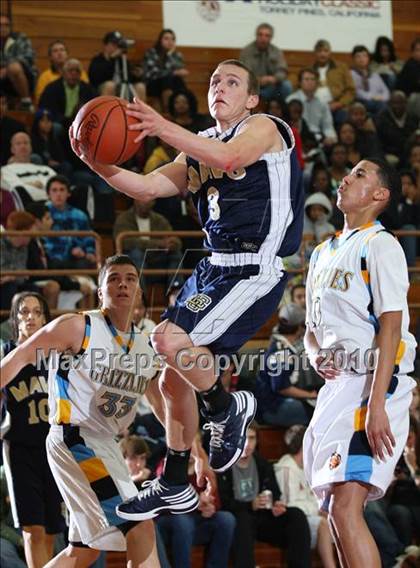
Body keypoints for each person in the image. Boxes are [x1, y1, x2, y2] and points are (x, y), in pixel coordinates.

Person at [69, 58, 304, 521]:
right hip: (214, 269)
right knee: (168, 377)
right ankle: (175, 480)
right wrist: (94, 160)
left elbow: (232, 159)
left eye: (232, 82)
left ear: (251, 98)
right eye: (214, 79)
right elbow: (146, 187)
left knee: (165, 340)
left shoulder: (264, 127)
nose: (220, 86)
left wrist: (159, 126)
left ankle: (226, 403)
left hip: (253, 268)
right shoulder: (199, 145)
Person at [0, 254, 162, 567]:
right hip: (74, 440)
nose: (122, 284)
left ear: (140, 291)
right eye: (113, 278)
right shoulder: (79, 326)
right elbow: (20, 356)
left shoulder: (144, 346)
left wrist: (192, 449)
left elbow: (158, 399)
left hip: (105, 444)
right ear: (100, 291)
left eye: (130, 278)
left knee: (85, 548)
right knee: (139, 524)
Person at [303, 158, 417, 568]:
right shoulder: (320, 252)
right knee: (335, 509)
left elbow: (391, 327)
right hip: (337, 388)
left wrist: (377, 404)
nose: (345, 178)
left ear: (379, 195)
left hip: (373, 382)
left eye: (359, 174)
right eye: (348, 172)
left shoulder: (380, 244)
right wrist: (315, 354)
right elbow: (310, 330)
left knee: (347, 506)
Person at [1, 292, 64, 568]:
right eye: (24, 312)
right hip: (20, 448)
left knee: (51, 529)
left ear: (45, 318)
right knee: (32, 529)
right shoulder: (5, 352)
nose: (30, 317)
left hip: (54, 448)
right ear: (15, 319)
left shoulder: (57, 355)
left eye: (37, 312)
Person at [217, 421, 312, 568]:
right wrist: (250, 505)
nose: (247, 444)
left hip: (262, 516)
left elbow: (275, 493)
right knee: (243, 518)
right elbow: (223, 502)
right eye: (243, 438)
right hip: (239, 517)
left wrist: (277, 504)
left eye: (252, 438)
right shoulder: (223, 465)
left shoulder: (261, 462)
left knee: (296, 515)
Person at [274, 425, 337, 568]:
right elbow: (289, 505)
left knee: (339, 520)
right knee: (323, 525)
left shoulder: (308, 467)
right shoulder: (286, 468)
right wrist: (316, 510)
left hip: (310, 515)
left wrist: (322, 509)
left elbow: (313, 496)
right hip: (293, 521)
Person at [255, 303, 318, 427]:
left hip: (270, 405)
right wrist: (311, 395)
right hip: (271, 408)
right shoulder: (281, 352)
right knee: (319, 412)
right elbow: (281, 387)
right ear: (300, 327)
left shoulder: (279, 344)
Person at [1, 131, 56, 205]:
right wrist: (43, 188)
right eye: (18, 143)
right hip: (29, 206)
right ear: (12, 149)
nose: (23, 146)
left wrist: (30, 184)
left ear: (31, 147)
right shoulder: (5, 170)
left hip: (54, 203)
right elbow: (16, 190)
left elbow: (58, 185)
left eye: (26, 143)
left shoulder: (46, 169)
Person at [239, 22, 292, 100]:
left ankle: (275, 109)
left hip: (271, 86)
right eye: (260, 35)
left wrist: (274, 78)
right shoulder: (246, 52)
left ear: (271, 38)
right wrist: (258, 80)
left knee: (286, 86)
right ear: (256, 36)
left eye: (267, 36)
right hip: (254, 87)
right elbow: (244, 74)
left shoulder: (276, 51)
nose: (263, 38)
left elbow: (282, 71)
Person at [286, 68, 337, 146]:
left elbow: (328, 126)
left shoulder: (322, 103)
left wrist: (331, 137)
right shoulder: (291, 100)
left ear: (317, 83)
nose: (310, 82)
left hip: (319, 140)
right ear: (300, 82)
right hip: (297, 138)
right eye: (306, 79)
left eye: (313, 79)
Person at [142, 29, 189, 111]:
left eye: (172, 39)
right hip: (153, 83)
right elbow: (152, 73)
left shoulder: (176, 55)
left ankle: (181, 112)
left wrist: (169, 55)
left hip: (171, 83)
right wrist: (173, 72)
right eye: (166, 39)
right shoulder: (152, 53)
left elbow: (181, 70)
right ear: (160, 40)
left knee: (178, 81)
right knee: (167, 79)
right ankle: (169, 110)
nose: (170, 41)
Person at [0, 13, 36, 110]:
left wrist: (6, 69)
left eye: (6, 25)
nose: (3, 28)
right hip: (3, 79)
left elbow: (28, 57)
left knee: (13, 68)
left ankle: (26, 102)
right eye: (1, 25)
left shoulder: (20, 38)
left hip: (23, 76)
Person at [351, 45, 390, 115]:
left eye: (364, 56)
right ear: (353, 59)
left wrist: (382, 98)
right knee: (380, 105)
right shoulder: (351, 74)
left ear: (368, 58)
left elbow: (385, 90)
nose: (361, 59)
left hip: (378, 101)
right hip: (361, 101)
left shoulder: (374, 74)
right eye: (358, 56)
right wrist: (372, 97)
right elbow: (356, 92)